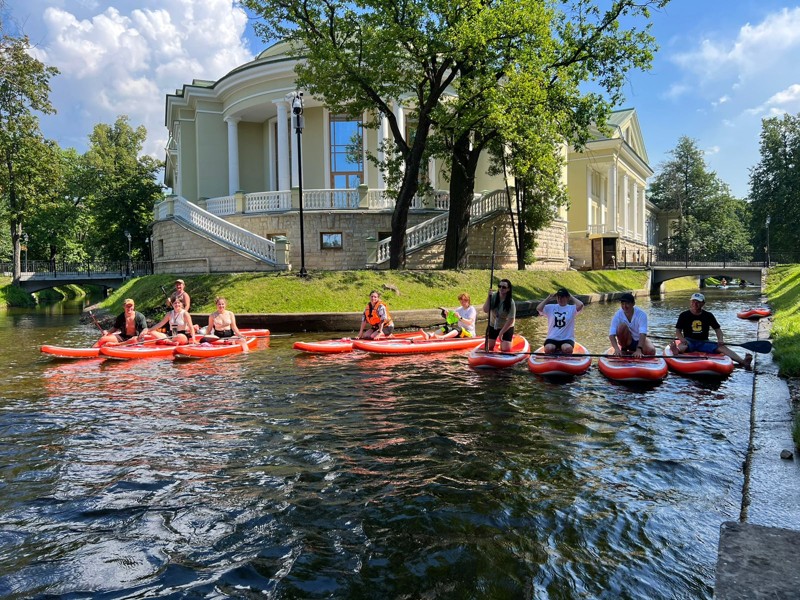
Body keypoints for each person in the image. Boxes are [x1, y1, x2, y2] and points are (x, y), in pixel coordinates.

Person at [671, 292, 752, 369]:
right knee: (683, 346)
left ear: (703, 303)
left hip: (705, 342)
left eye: (698, 302)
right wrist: (682, 339)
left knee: (722, 347)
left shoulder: (708, 315)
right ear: (690, 302)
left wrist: (720, 340)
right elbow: (678, 331)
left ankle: (743, 362)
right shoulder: (683, 315)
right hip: (689, 341)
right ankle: (676, 351)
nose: (695, 304)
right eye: (693, 301)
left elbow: (718, 330)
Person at [536, 287, 584, 354]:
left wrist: (571, 296)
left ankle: (564, 354)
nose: (559, 299)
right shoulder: (550, 307)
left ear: (567, 298)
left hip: (567, 339)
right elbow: (538, 308)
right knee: (548, 349)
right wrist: (548, 298)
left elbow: (581, 305)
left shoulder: (572, 308)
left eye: (562, 297)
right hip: (552, 338)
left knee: (567, 349)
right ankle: (553, 353)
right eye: (558, 297)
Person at [608, 292, 656, 357]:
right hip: (627, 341)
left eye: (627, 303)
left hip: (639, 340)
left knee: (652, 351)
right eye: (622, 304)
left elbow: (643, 333)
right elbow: (611, 334)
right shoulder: (617, 315)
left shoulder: (641, 314)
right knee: (622, 327)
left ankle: (638, 349)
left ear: (633, 304)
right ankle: (623, 349)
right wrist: (616, 349)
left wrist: (639, 349)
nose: (624, 306)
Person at [482, 278, 515, 352]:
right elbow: (485, 310)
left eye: (504, 287)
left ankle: (508, 341)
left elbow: (511, 319)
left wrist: (501, 332)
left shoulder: (510, 302)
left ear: (508, 289)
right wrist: (488, 297)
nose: (501, 288)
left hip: (506, 326)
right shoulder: (493, 296)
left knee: (505, 350)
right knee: (489, 347)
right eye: (499, 286)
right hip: (493, 325)